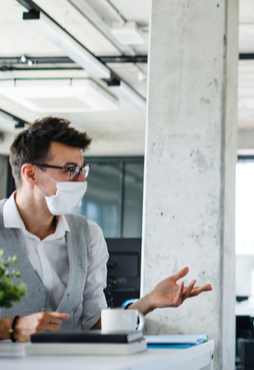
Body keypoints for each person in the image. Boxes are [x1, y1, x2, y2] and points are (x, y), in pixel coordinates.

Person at [0, 117, 212, 342]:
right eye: (70, 170)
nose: (81, 180)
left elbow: (94, 323)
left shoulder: (88, 235)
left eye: (83, 169)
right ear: (31, 174)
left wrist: (147, 302)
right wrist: (13, 327)